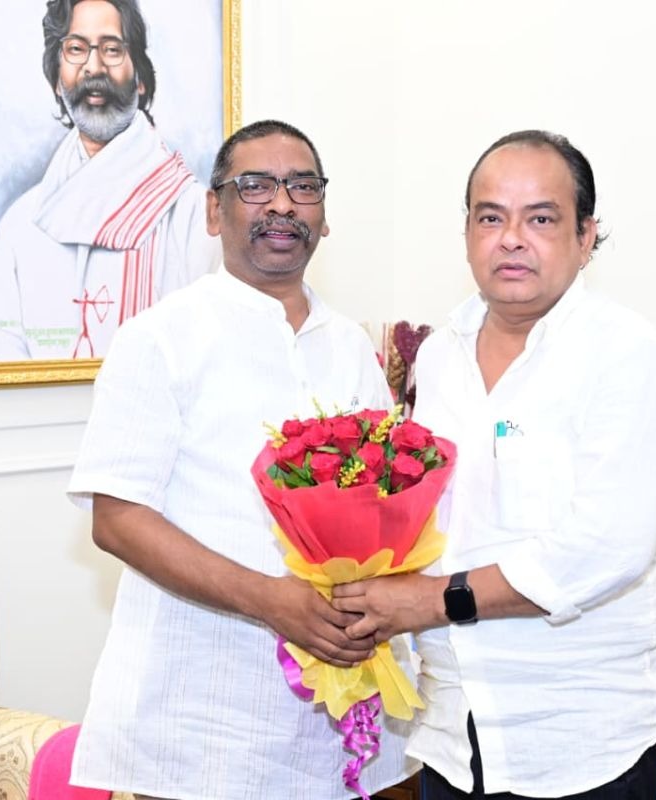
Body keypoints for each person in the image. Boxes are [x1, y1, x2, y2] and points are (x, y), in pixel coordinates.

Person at [332, 130, 656, 799]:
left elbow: (605, 548)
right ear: (468, 232)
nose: (512, 239)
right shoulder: (439, 355)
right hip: (450, 726)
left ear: (586, 237)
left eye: (541, 219)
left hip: (575, 740)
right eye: (491, 217)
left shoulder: (626, 355)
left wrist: (428, 602)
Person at [66, 120, 415, 799]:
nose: (282, 204)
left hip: (338, 714)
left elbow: (383, 506)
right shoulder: (159, 339)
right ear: (212, 210)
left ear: (324, 215)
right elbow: (117, 519)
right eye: (255, 185)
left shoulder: (351, 347)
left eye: (303, 187)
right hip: (202, 718)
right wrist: (271, 601)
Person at [0, 0, 218, 362]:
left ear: (141, 79)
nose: (94, 67)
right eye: (76, 49)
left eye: (112, 49)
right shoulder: (20, 226)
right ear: (57, 81)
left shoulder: (194, 216)